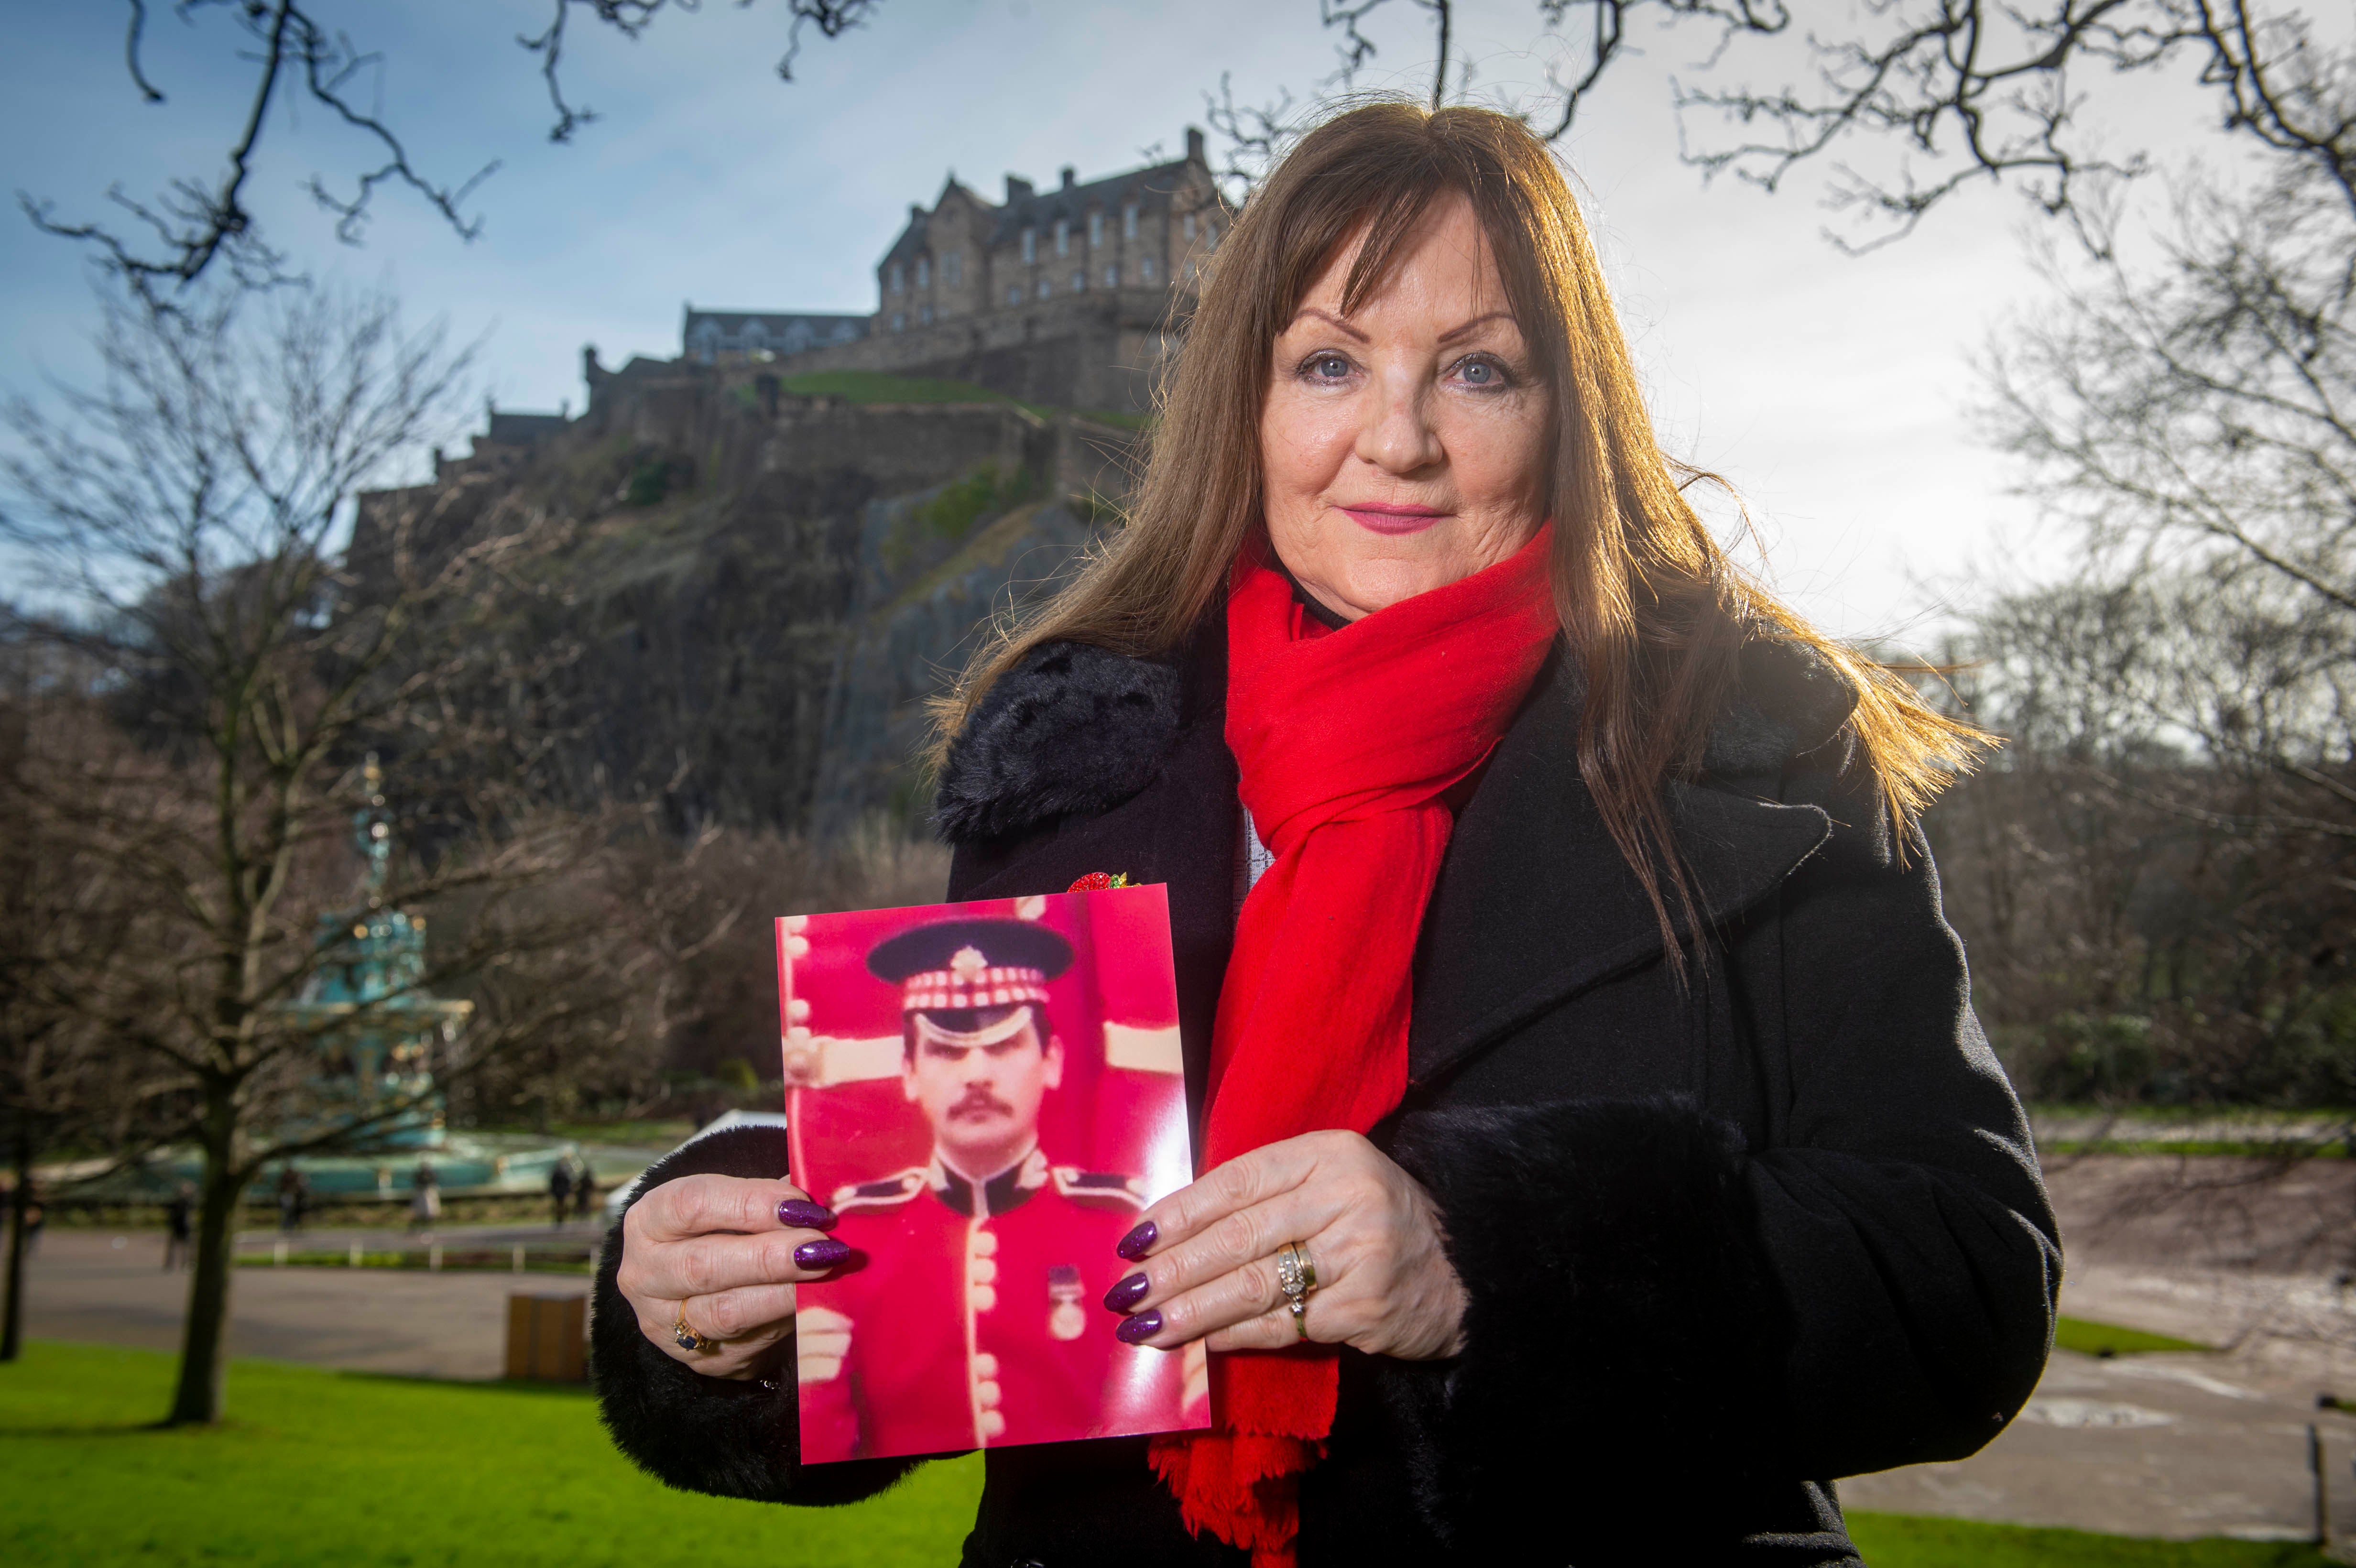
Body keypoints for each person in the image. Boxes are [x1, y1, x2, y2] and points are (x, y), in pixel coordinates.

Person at [591, 103, 2058, 1566]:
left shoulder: (1757, 749)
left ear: (1569, 413)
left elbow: (1963, 1280)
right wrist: (722, 1298)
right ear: (1249, 401)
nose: (1397, 439)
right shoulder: (1072, 756)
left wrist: (1480, 1258)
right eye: (1329, 363)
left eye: (1478, 368)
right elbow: (977, 1267)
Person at [785, 918, 1193, 1461]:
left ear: (1051, 1062)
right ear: (908, 1071)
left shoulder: (1123, 1224)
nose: (976, 1074)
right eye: (947, 1051)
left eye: (1002, 1046)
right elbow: (822, 1436)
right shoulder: (850, 1235)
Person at [163, 1182, 193, 1271]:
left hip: (185, 1226)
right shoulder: (175, 1203)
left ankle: (186, 1263)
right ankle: (169, 1264)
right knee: (173, 1246)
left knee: (186, 1247)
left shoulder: (188, 1202)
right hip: (176, 1226)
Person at [409, 1159, 440, 1233]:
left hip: (429, 1193)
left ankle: (429, 1227)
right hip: (422, 1194)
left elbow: (433, 1183)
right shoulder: (419, 1175)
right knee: (420, 1212)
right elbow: (417, 1183)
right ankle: (417, 1227)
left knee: (431, 1211)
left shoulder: (432, 1174)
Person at [548, 1153, 575, 1229]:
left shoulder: (555, 1173)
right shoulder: (565, 1173)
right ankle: (562, 1220)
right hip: (563, 1192)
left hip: (557, 1192)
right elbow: (568, 1182)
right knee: (564, 1206)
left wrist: (552, 1191)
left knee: (558, 1206)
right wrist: (569, 1191)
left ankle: (559, 1220)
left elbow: (552, 1183)